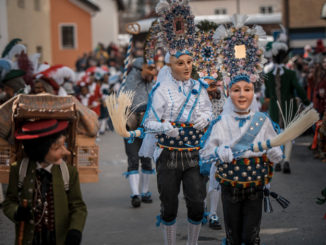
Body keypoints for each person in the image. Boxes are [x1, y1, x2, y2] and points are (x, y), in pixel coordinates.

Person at [200, 16, 283, 245]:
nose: (242, 94)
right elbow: (205, 153)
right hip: (229, 186)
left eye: (247, 89)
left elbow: (275, 147)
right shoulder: (221, 123)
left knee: (251, 236)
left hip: (255, 185)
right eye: (236, 89)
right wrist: (218, 152)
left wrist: (276, 155)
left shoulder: (262, 121)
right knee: (233, 237)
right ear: (229, 92)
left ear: (253, 90)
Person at [140, 1, 212, 244]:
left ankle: (192, 243)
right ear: (170, 65)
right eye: (181, 63)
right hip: (168, 155)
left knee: (196, 204)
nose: (187, 67)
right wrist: (164, 127)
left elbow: (208, 111)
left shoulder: (199, 88)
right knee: (169, 205)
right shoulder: (161, 90)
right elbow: (148, 123)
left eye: (189, 62)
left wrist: (205, 118)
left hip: (194, 153)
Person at [3, 119, 87, 245]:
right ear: (41, 150)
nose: (66, 152)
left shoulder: (69, 172)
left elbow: (78, 206)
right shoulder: (19, 169)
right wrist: (16, 212)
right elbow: (9, 201)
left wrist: (75, 229)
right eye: (57, 148)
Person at [264, 33, 310, 174]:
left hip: (274, 109)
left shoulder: (269, 74)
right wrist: (307, 102)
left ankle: (277, 161)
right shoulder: (290, 73)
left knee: (277, 135)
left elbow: (266, 94)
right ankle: (287, 161)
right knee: (289, 135)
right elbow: (299, 89)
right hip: (288, 107)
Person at [121, 57, 157, 207]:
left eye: (153, 68)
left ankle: (145, 191)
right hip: (131, 122)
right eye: (149, 68)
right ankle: (135, 193)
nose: (153, 72)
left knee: (147, 158)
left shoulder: (151, 83)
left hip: (147, 124)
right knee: (133, 158)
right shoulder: (131, 81)